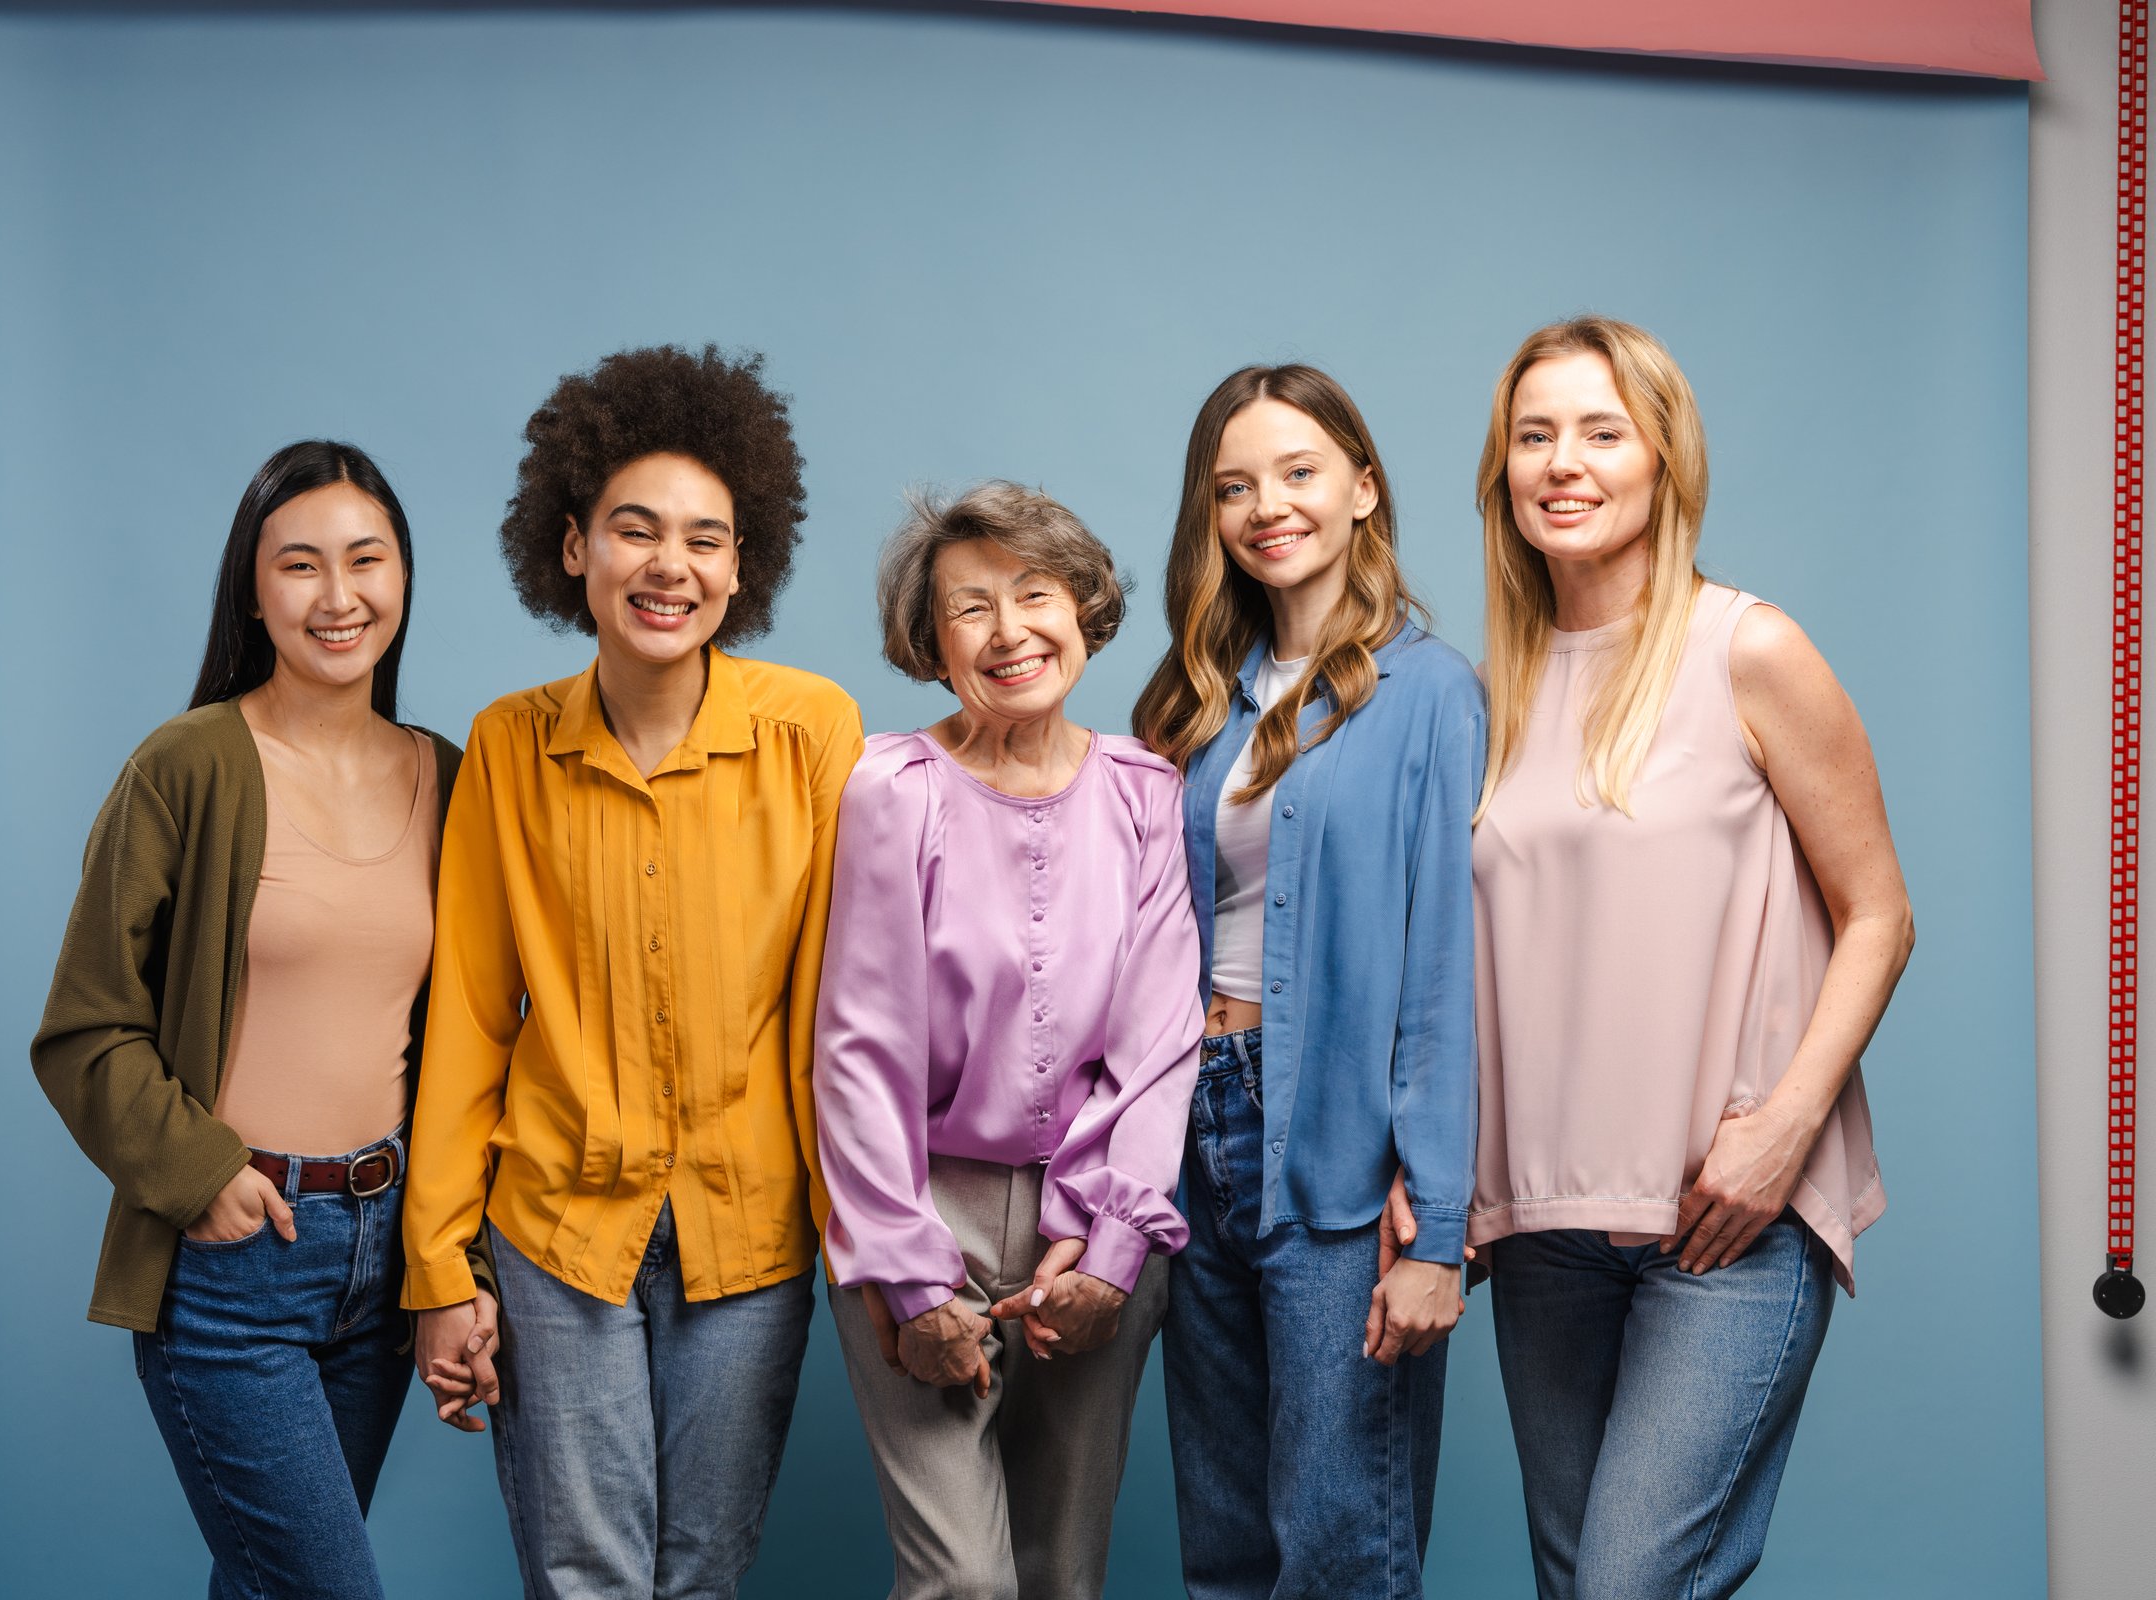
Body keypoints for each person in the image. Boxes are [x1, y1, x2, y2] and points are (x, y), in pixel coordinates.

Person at [403, 345, 866, 1600]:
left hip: (752, 1232)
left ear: (744, 562)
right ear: (572, 548)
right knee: (584, 1576)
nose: (672, 566)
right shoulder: (508, 742)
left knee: (703, 1574)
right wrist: (440, 1268)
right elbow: (469, 1018)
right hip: (555, 1225)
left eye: (708, 539)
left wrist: (871, 1242)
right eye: (636, 530)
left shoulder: (812, 730)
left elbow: (843, 1011)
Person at [1464, 315, 1912, 1599]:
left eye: (1603, 432)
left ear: (1666, 461)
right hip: (1540, 1224)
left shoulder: (1749, 647)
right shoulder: (1482, 688)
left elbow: (1880, 913)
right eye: (1535, 434)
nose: (1564, 462)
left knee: (1623, 1585)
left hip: (1727, 1217)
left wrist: (1781, 1131)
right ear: (1501, 468)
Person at [33, 440, 483, 1600]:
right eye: (301, 565)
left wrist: (453, 1263)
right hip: (235, 1259)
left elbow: (478, 1043)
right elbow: (84, 1028)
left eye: (366, 560)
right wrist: (202, 1175)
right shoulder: (186, 767)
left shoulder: (454, 775)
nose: (339, 598)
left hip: (385, 1260)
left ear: (403, 576)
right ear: (253, 587)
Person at [1133, 366, 1485, 1598]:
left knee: (1340, 1544)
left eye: (1297, 472)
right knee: (1226, 1543)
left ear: (1362, 488)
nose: (1266, 505)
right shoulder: (1195, 708)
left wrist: (1437, 1225)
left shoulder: (1431, 693)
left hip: (1339, 1141)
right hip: (1195, 1132)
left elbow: (1445, 965)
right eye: (1234, 485)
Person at [816, 482, 1202, 1600]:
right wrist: (905, 1275)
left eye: (1035, 593)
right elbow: (860, 1046)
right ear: (931, 644)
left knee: (1061, 1577)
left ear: (1082, 608)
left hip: (1089, 1216)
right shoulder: (895, 788)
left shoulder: (1143, 791)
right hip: (917, 1203)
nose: (1009, 630)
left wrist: (1115, 1245)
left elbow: (1159, 1043)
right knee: (966, 1583)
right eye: (969, 607)